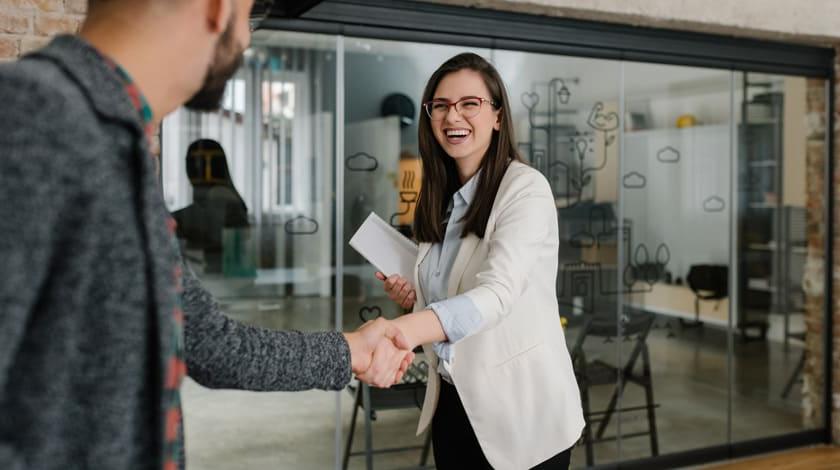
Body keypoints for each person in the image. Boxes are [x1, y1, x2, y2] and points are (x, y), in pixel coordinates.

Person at [0, 1, 411, 469]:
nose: (247, 37)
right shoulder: (28, 118)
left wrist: (348, 350)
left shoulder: (119, 146)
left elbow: (211, 346)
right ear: (219, 8)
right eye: (249, 15)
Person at [375, 53, 585, 469]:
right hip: (455, 402)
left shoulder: (525, 189)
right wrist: (416, 296)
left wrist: (400, 330)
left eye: (470, 103)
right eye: (441, 105)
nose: (454, 115)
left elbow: (496, 294)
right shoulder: (441, 198)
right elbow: (453, 293)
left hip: (523, 412)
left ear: (497, 117)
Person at [172, 139, 248, 272]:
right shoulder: (217, 193)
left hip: (226, 279)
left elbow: (202, 223)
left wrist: (169, 219)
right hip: (217, 273)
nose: (193, 170)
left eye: (196, 163)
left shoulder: (220, 193)